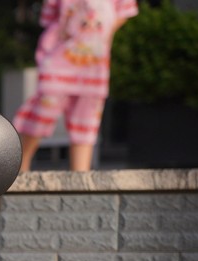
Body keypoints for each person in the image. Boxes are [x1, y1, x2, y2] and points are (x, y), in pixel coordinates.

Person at [13, 0, 138, 172]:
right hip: (59, 59)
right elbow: (49, 19)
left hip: (94, 64)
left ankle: (80, 178)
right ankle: (19, 166)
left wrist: (99, 34)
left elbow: (124, 12)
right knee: (42, 112)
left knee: (86, 122)